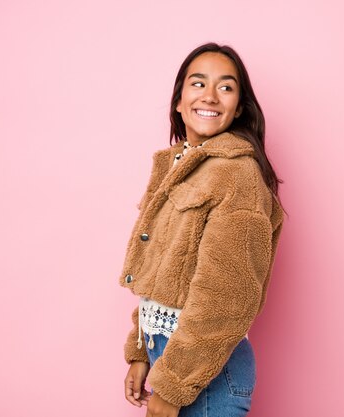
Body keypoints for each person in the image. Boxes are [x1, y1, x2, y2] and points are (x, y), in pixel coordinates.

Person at [120, 42, 284, 417]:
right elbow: (159, 273)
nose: (210, 95)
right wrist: (142, 350)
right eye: (198, 84)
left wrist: (173, 387)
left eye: (226, 87)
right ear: (178, 100)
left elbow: (227, 299)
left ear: (239, 108)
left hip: (206, 371)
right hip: (173, 357)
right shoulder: (177, 165)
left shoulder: (238, 175)